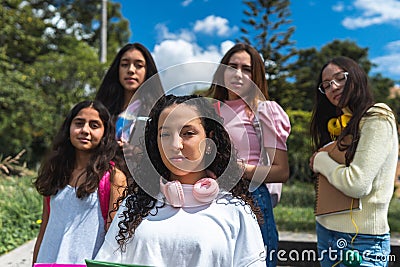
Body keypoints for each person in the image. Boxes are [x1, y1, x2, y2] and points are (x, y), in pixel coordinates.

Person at [95, 94, 266, 266]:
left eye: (188, 133)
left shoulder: (236, 212)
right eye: (165, 134)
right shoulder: (133, 206)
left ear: (209, 141)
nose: (175, 144)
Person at [206, 42, 291, 267]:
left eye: (247, 69)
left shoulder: (264, 111)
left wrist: (240, 170)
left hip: (252, 198)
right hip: (210, 200)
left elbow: (281, 171)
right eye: (232, 66)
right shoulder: (206, 110)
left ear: (257, 76)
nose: (238, 74)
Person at [309, 56, 398, 267]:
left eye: (340, 78)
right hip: (326, 232)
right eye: (326, 85)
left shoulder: (377, 116)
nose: (334, 87)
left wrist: (320, 160)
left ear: (356, 77)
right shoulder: (337, 126)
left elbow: (356, 184)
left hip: (361, 241)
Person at [32, 100, 128, 264]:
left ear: (105, 133)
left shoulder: (113, 177)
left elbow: (115, 239)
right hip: (47, 261)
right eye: (79, 123)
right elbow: (45, 228)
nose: (85, 130)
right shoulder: (55, 171)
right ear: (68, 128)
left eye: (94, 125)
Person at [95, 42, 164, 146]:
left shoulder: (159, 112)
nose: (131, 70)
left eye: (139, 65)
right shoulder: (101, 111)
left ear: (147, 71)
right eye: (125, 65)